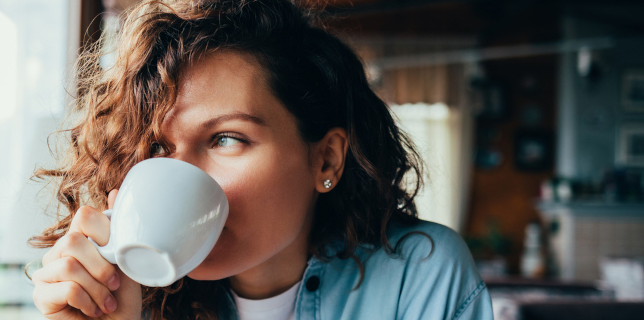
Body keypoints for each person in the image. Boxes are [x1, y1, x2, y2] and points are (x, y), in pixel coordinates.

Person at [28, 0, 494, 319]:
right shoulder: (124, 297)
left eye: (226, 138)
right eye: (157, 148)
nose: (180, 172)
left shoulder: (419, 274)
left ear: (326, 161)